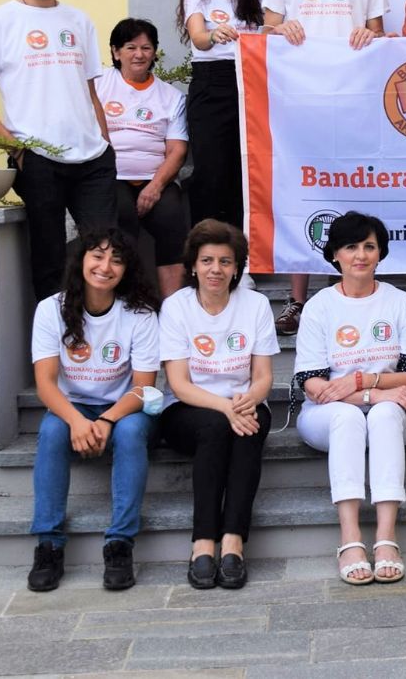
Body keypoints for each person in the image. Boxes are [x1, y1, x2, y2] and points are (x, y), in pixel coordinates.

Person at [264, 0, 387, 334]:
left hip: (353, 103)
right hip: (299, 106)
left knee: (352, 194)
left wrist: (368, 36)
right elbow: (266, 34)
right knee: (301, 194)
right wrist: (281, 28)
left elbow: (380, 36)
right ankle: (297, 300)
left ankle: (354, 293)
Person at [0, 0, 116, 301]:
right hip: (38, 159)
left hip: (92, 159)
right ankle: (56, 338)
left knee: (106, 254)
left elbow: (90, 92)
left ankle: (100, 336)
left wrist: (106, 143)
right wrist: (17, 150)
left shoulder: (79, 21)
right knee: (49, 261)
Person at [292, 212, 406, 585]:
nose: (361, 255)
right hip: (327, 414)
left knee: (382, 414)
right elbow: (314, 385)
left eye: (369, 246)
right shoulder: (319, 306)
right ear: (335, 254)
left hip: (396, 412)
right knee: (349, 417)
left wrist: (365, 381)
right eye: (351, 247)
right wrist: (373, 392)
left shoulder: (400, 302)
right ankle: (350, 538)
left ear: (380, 253)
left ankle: (386, 538)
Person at [28, 227, 160, 593]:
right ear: (81, 260)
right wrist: (76, 421)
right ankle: (49, 544)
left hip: (125, 408)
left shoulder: (139, 314)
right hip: (72, 406)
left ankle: (120, 543)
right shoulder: (51, 309)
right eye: (97, 256)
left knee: (130, 433)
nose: (105, 267)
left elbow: (144, 387)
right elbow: (45, 384)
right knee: (52, 430)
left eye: (116, 260)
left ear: (127, 269)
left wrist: (106, 419)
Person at [158, 220, 278, 590]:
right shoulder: (176, 307)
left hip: (244, 403)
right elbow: (179, 384)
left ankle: (233, 541)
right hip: (187, 409)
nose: (216, 269)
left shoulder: (256, 304)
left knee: (248, 428)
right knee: (215, 426)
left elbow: (263, 376)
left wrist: (248, 400)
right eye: (207, 261)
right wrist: (226, 408)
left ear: (237, 267)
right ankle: (203, 541)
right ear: (193, 266)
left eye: (225, 262)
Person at [176, 0, 263, 231]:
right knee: (211, 172)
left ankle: (242, 251)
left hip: (250, 85)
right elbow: (199, 38)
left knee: (245, 172)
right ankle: (204, 248)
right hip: (212, 84)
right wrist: (214, 35)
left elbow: (267, 37)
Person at [95, 18, 189, 298]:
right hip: (111, 177)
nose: (139, 54)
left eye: (146, 48)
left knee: (172, 219)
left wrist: (155, 187)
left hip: (156, 178)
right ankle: (125, 302)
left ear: (154, 53)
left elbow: (177, 151)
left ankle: (172, 307)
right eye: (130, 47)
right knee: (121, 220)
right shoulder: (98, 85)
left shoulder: (171, 96)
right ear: (116, 52)